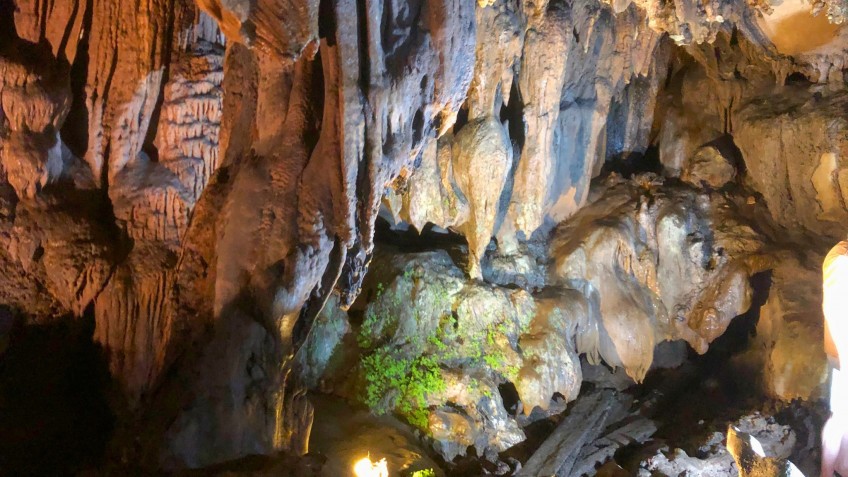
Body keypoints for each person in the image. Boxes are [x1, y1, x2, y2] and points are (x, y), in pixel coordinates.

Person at [822, 241, 848, 477]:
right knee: (840, 417)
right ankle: (827, 473)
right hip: (843, 353)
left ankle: (843, 467)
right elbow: (836, 312)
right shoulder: (842, 261)